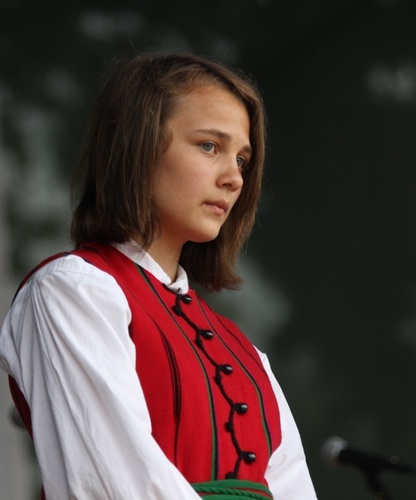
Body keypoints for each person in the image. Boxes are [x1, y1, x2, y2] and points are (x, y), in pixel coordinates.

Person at [0, 53, 317, 499]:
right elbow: (113, 486)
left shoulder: (247, 354)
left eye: (243, 159)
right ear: (138, 145)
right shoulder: (71, 291)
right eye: (210, 146)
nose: (234, 178)